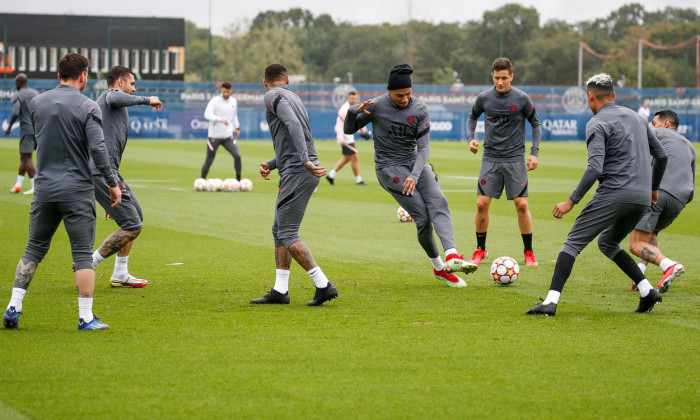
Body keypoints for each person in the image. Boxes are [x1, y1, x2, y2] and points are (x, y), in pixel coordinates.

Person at [526, 73, 668, 316]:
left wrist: (571, 201)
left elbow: (595, 167)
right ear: (613, 95)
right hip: (642, 197)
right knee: (608, 242)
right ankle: (647, 291)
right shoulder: (638, 117)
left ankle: (550, 302)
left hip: (614, 194)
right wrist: (653, 188)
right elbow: (662, 155)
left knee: (572, 243)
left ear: (590, 96)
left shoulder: (597, 123)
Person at [2, 53, 122, 330]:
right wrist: (112, 183)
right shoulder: (88, 106)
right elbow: (98, 150)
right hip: (77, 190)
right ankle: (86, 317)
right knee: (82, 254)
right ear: (83, 76)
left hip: (43, 189)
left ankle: (13, 306)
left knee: (33, 249)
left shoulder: (37, 103)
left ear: (58, 75)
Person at [344, 63, 477, 288]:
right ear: (389, 92)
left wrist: (415, 175)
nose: (405, 99)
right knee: (423, 218)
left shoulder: (420, 109)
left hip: (413, 164)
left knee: (439, 200)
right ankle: (439, 269)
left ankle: (452, 256)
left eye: (408, 94)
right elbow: (349, 130)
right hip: (388, 168)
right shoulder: (375, 106)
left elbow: (424, 148)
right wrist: (352, 112)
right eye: (399, 95)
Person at [251, 63, 338, 306]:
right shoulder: (295, 98)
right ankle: (280, 291)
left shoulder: (272, 95)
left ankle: (323, 285)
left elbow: (294, 126)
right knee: (278, 229)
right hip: (298, 168)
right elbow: (294, 136)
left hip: (299, 171)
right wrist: (272, 163)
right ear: (287, 79)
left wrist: (305, 161)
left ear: (265, 82)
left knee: (288, 232)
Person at [90, 65, 162, 288]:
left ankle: (120, 273)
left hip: (110, 172)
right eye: (131, 83)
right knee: (132, 224)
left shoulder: (115, 103)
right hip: (103, 171)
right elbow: (114, 97)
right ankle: (88, 263)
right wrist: (147, 99)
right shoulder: (111, 95)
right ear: (120, 82)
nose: (134, 88)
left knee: (135, 218)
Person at [466, 57, 542, 267]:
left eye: (504, 78)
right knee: (482, 203)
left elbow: (535, 123)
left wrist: (534, 152)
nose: (500, 82)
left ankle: (528, 252)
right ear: (492, 75)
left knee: (522, 204)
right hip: (490, 158)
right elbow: (472, 117)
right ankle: (480, 249)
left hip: (515, 158)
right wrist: (470, 138)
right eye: (497, 78)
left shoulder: (521, 99)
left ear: (511, 76)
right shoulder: (484, 98)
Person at [628, 110, 694, 293]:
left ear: (665, 124)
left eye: (654, 123)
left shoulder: (657, 133)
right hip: (680, 199)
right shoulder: (689, 145)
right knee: (652, 234)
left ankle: (669, 265)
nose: (651, 127)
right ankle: (639, 273)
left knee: (635, 243)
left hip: (659, 192)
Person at [326, 91, 370, 186]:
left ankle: (331, 175)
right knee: (354, 157)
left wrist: (364, 132)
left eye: (355, 98)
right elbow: (341, 125)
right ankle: (358, 180)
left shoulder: (354, 107)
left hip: (348, 135)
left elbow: (357, 121)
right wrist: (341, 138)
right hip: (345, 137)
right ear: (348, 98)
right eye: (352, 98)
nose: (354, 100)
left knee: (347, 158)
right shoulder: (345, 109)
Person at [5, 73, 39, 194]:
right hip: (37, 129)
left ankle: (36, 186)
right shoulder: (35, 93)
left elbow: (15, 112)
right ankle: (18, 185)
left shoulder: (17, 95)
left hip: (26, 129)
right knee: (23, 158)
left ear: (18, 83)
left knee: (27, 158)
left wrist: (9, 127)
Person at [201, 82, 242, 181]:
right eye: (224, 91)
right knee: (209, 160)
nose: (226, 93)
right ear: (221, 90)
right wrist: (220, 119)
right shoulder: (215, 101)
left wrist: (237, 128)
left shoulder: (233, 101)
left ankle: (238, 181)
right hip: (214, 136)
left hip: (227, 136)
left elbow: (234, 115)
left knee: (237, 156)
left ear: (231, 91)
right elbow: (207, 114)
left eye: (227, 91)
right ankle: (201, 181)